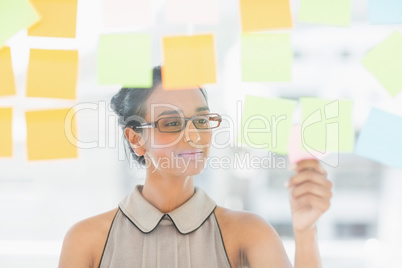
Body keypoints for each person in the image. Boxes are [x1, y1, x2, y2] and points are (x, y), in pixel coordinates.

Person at [58, 66, 333, 268]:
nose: (193, 136)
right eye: (171, 123)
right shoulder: (86, 240)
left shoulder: (249, 233)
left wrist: (305, 232)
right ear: (135, 139)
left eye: (201, 121)